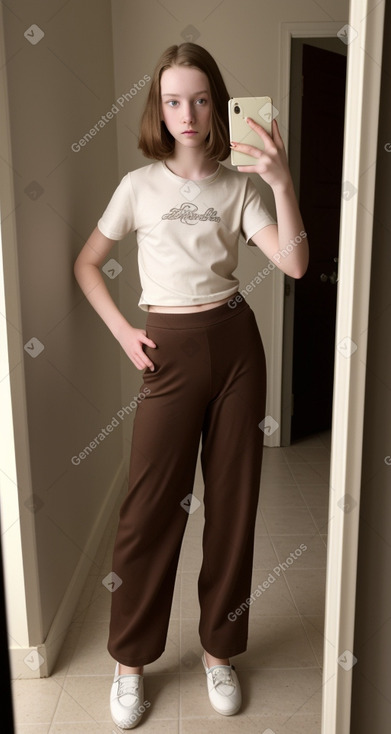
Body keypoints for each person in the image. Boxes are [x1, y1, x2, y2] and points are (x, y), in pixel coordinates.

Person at [74, 42, 308, 730]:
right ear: (158, 106)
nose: (187, 113)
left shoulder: (239, 186)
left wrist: (283, 179)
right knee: (148, 510)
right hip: (165, 350)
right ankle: (128, 664)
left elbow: (293, 265)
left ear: (217, 106)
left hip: (235, 346)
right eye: (173, 100)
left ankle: (217, 651)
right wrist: (123, 332)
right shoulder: (136, 187)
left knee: (232, 506)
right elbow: (88, 263)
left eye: (201, 99)